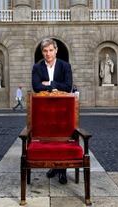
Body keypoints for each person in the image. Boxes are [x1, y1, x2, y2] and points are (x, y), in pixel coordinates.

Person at [32, 38, 73, 184]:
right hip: (45, 110)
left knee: (62, 138)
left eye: (50, 50)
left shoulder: (65, 66)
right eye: (45, 51)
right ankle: (53, 166)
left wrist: (49, 84)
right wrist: (56, 86)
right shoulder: (37, 67)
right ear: (42, 52)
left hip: (62, 109)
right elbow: (36, 87)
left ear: (56, 50)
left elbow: (68, 86)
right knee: (49, 139)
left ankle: (62, 170)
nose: (48, 53)